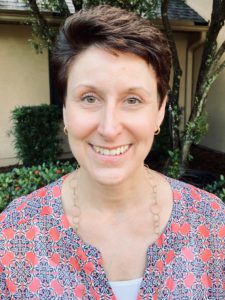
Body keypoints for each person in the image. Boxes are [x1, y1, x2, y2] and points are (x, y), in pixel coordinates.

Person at [0, 5, 224, 300]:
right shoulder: (16, 235)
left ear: (159, 111)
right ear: (65, 110)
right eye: (89, 98)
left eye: (132, 99)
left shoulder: (211, 225)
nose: (109, 127)